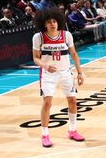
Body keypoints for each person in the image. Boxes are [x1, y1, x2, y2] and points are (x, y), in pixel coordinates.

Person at [31, 8, 85, 148]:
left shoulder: (66, 35)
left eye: (54, 21)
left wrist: (80, 72)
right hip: (48, 74)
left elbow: (73, 54)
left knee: (72, 101)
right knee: (47, 102)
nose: (53, 24)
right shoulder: (39, 37)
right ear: (44, 24)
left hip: (66, 72)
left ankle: (72, 131)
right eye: (49, 22)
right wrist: (44, 65)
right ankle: (45, 135)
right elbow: (35, 58)